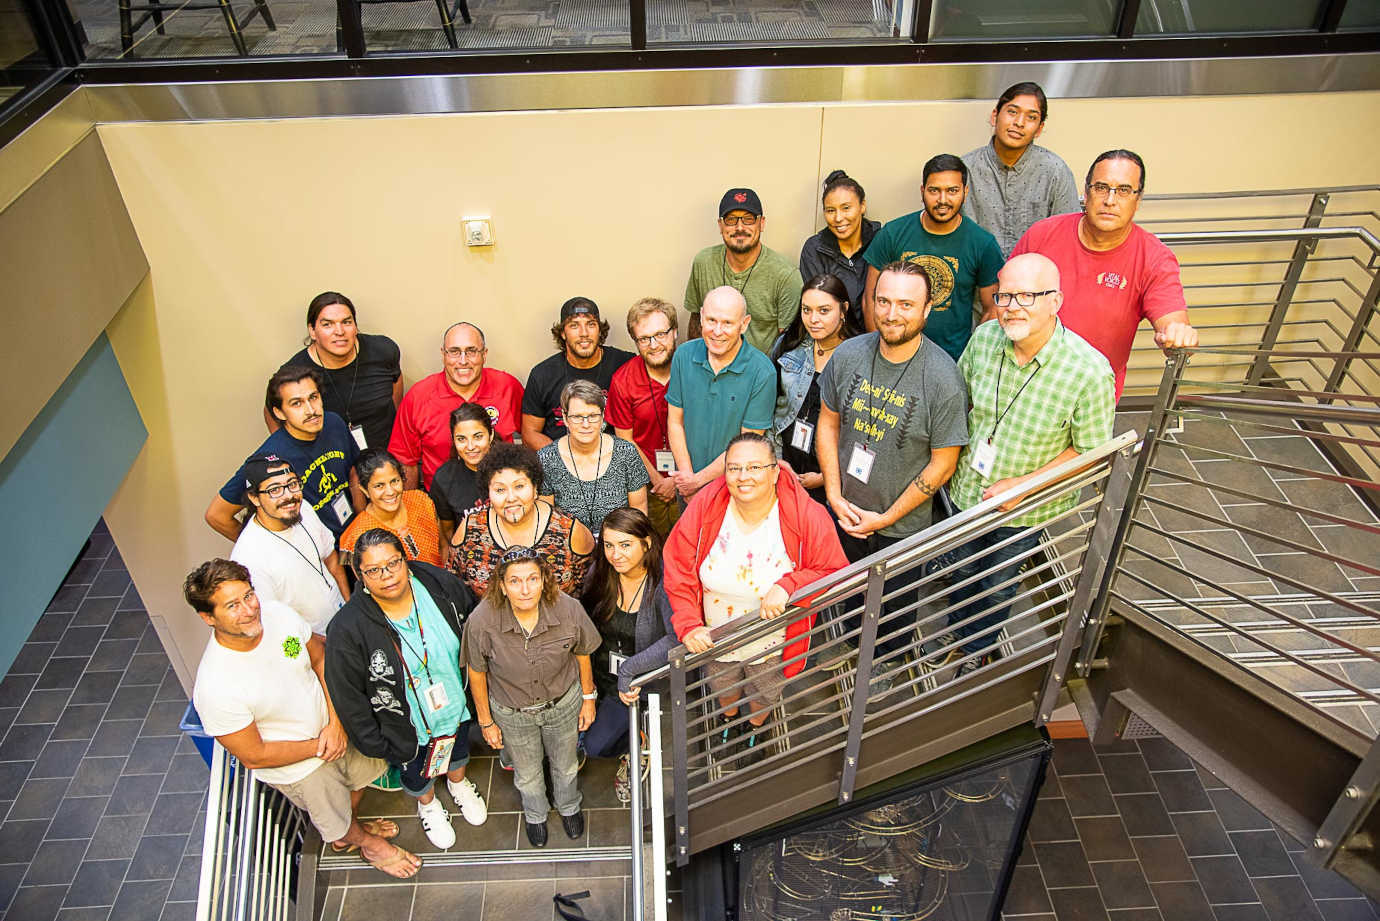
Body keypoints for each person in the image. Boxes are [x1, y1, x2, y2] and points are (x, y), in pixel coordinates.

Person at [186, 559, 421, 878]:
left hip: (335, 728)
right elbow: (254, 755)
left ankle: (351, 829)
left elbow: (321, 658)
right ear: (207, 617)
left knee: (357, 785)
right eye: (232, 606)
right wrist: (319, 747)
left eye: (248, 596)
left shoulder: (278, 615)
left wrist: (336, 724)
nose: (249, 609)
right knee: (334, 821)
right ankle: (367, 844)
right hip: (303, 769)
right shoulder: (216, 686)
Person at [940, 253, 1115, 672]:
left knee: (997, 586)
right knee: (961, 571)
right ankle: (958, 628)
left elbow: (1090, 454)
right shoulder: (984, 339)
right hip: (965, 492)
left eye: (1026, 296)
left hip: (1023, 510)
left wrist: (1022, 486)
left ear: (1055, 300)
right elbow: (959, 400)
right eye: (1004, 295)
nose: (1011, 306)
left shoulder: (1089, 371)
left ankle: (975, 649)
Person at [816, 261, 969, 689]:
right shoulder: (847, 355)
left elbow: (944, 463)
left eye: (906, 303)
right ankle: (848, 643)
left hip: (902, 525)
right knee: (846, 590)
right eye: (883, 300)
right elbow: (828, 422)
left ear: (926, 310)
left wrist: (885, 519)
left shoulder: (943, 379)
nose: (891, 313)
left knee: (895, 606)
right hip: (845, 508)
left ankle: (888, 660)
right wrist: (832, 491)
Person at [663, 433, 847, 768]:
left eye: (754, 467)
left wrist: (791, 584)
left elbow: (835, 571)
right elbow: (678, 564)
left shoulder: (807, 515)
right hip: (716, 637)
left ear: (776, 471)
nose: (743, 476)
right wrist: (688, 624)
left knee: (765, 690)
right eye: (734, 468)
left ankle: (755, 726)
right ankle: (729, 720)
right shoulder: (707, 505)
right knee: (723, 685)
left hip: (774, 642)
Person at [324, 530, 489, 850]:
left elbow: (474, 629)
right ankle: (427, 805)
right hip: (405, 728)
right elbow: (348, 695)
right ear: (359, 574)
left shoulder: (442, 586)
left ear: (406, 561)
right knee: (416, 772)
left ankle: (459, 785)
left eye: (393, 564)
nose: (386, 576)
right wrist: (379, 743)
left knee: (457, 751)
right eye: (374, 570)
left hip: (455, 706)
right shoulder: (347, 628)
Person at [1011, 149, 1198, 400]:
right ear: (1086, 193)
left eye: (1123, 190)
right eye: (1101, 187)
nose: (1110, 200)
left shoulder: (1153, 258)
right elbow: (1003, 302)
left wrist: (1178, 335)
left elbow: (1172, 321)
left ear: (1138, 199)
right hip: (1022, 383)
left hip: (1089, 397)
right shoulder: (1042, 235)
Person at [465, 546, 602, 848]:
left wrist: (588, 698)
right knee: (527, 774)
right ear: (502, 585)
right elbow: (477, 672)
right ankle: (535, 814)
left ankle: (569, 806)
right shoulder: (482, 621)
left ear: (544, 580)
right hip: (513, 713)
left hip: (563, 704)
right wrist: (486, 722)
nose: (525, 589)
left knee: (565, 765)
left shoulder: (568, 609)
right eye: (515, 581)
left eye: (532, 579)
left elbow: (582, 654)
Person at [862, 154, 1004, 361]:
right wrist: (879, 354)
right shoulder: (893, 233)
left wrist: (971, 359)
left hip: (952, 359)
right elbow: (870, 298)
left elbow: (991, 309)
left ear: (965, 192)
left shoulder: (982, 243)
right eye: (934, 190)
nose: (943, 200)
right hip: (892, 355)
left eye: (952, 191)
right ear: (922, 191)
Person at [207, 365, 361, 541]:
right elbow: (217, 515)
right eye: (296, 403)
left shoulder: (333, 423)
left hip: (352, 538)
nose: (311, 410)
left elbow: (354, 470)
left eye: (314, 397)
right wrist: (275, 549)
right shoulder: (270, 458)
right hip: (318, 553)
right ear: (279, 412)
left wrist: (361, 518)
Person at [578, 510, 672, 778]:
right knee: (573, 733)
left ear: (647, 543)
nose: (615, 554)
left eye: (625, 545)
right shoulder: (601, 572)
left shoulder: (663, 584)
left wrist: (630, 670)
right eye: (608, 545)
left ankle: (637, 743)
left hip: (635, 683)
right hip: (596, 673)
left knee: (596, 746)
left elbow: (675, 638)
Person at [666, 287, 776, 501]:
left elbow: (746, 445)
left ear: (744, 324)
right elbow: (675, 422)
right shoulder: (683, 355)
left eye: (727, 323)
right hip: (686, 482)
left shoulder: (762, 372)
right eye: (711, 320)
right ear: (701, 318)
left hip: (733, 490)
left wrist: (698, 482)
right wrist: (688, 479)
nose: (717, 331)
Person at [388, 322, 524, 490]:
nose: (463, 361)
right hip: (443, 502)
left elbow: (531, 437)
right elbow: (405, 460)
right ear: (443, 354)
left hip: (502, 499)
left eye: (471, 351)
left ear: (484, 354)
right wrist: (413, 507)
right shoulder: (418, 397)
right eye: (454, 352)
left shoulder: (508, 387)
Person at [450, 442, 595, 596]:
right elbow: (455, 589)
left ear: (535, 489)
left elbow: (589, 594)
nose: (511, 498)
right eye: (500, 489)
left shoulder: (568, 531)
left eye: (519, 486)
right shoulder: (471, 528)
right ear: (488, 494)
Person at [230, 455, 349, 635]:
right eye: (275, 489)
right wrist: (319, 652)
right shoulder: (248, 558)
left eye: (292, 484)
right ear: (254, 498)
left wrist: (350, 606)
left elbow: (331, 557)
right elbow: (272, 626)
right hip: (319, 644)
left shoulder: (303, 508)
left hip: (346, 620)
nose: (289, 496)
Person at [770, 274, 863, 506]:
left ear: (843, 310)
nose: (813, 319)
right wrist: (776, 461)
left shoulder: (860, 358)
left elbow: (865, 432)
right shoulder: (789, 345)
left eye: (823, 311)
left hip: (833, 479)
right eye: (806, 310)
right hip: (785, 466)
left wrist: (825, 477)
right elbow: (771, 407)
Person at [961, 82, 1081, 258]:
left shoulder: (1055, 171)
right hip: (977, 280)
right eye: (1012, 112)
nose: (1019, 123)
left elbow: (1069, 239)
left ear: (1039, 128)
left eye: (1031, 117)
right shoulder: (964, 169)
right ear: (995, 116)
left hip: (1036, 281)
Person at [273, 292, 403, 451]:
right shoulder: (294, 374)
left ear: (355, 326)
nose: (339, 331)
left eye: (346, 322)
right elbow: (272, 412)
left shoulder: (383, 351)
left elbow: (395, 388)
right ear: (312, 331)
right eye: (327, 324)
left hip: (384, 458)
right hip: (333, 462)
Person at [684, 188, 804, 354]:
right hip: (710, 369)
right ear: (720, 225)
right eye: (731, 219)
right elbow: (697, 320)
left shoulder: (785, 275)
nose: (739, 227)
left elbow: (789, 342)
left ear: (761, 223)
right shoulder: (703, 263)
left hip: (758, 374)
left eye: (748, 219)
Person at [607, 297, 682, 537]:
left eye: (661, 334)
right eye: (644, 339)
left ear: (675, 332)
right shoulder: (623, 381)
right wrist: (659, 481)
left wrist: (680, 479)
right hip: (648, 484)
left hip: (694, 477)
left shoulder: (694, 369)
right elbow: (625, 441)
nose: (654, 344)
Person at [537, 381, 649, 535]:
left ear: (603, 416)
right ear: (564, 417)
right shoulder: (546, 459)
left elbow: (639, 511)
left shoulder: (626, 453)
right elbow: (546, 519)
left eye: (593, 416)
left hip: (618, 548)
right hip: (569, 549)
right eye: (577, 417)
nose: (586, 424)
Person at [521, 298, 634, 450]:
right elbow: (530, 434)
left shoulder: (625, 364)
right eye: (574, 326)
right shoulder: (542, 374)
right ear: (562, 333)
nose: (584, 333)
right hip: (561, 462)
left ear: (599, 330)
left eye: (591, 324)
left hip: (614, 461)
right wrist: (563, 460)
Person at [338, 449, 443, 567]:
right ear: (364, 490)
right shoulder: (354, 536)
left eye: (394, 481)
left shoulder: (421, 500)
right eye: (379, 486)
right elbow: (363, 581)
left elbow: (443, 545)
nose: (390, 491)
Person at [798, 171, 881, 311]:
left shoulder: (881, 240)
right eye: (830, 210)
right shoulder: (814, 249)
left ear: (862, 206)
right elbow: (818, 308)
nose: (838, 218)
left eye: (846, 208)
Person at [429, 403, 495, 551]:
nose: (470, 446)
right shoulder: (445, 479)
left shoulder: (511, 467)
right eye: (461, 439)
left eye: (478, 437)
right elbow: (447, 532)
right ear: (453, 440)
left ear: (491, 435)